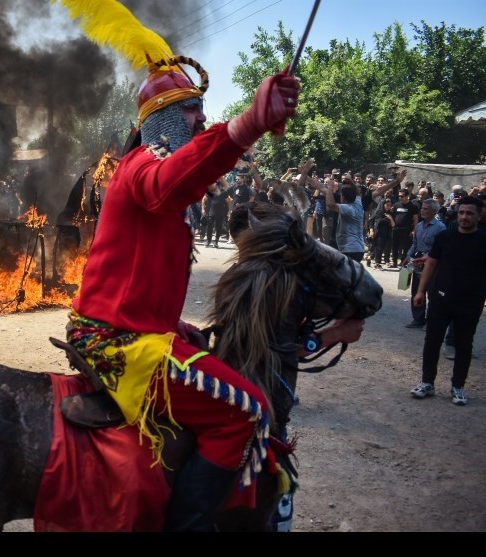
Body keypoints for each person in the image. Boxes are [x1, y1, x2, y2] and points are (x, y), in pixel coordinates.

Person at [66, 59, 363, 531]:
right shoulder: (145, 165)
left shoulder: (154, 169)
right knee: (247, 411)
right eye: (191, 110)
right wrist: (246, 124)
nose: (202, 119)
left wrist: (172, 325)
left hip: (136, 333)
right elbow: (170, 181)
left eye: (203, 110)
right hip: (118, 345)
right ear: (160, 117)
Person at [410, 196, 486, 406]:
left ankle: (458, 386)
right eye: (461, 212)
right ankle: (427, 382)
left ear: (479, 216)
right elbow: (431, 264)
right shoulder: (446, 236)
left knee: (463, 345)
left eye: (469, 213)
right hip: (441, 298)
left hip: (470, 302)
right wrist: (420, 292)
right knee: (432, 341)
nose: (464, 217)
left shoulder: (483, 240)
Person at [403, 199, 446, 328]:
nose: (422, 210)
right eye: (422, 208)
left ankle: (431, 320)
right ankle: (418, 319)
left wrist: (428, 256)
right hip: (417, 262)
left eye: (426, 209)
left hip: (432, 263)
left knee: (432, 292)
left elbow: (440, 248)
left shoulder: (440, 227)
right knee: (416, 290)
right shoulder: (419, 226)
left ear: (434, 211)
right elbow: (414, 244)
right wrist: (408, 256)